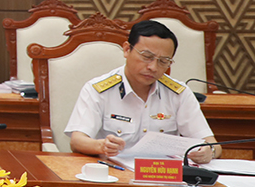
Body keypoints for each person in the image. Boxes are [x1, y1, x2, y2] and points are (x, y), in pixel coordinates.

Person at [64, 19, 218, 163]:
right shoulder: (98, 90)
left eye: (163, 61)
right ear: (127, 49)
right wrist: (101, 146)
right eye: (147, 57)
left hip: (163, 174)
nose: (153, 67)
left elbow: (214, 145)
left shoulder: (179, 93)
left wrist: (208, 152)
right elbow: (77, 141)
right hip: (114, 172)